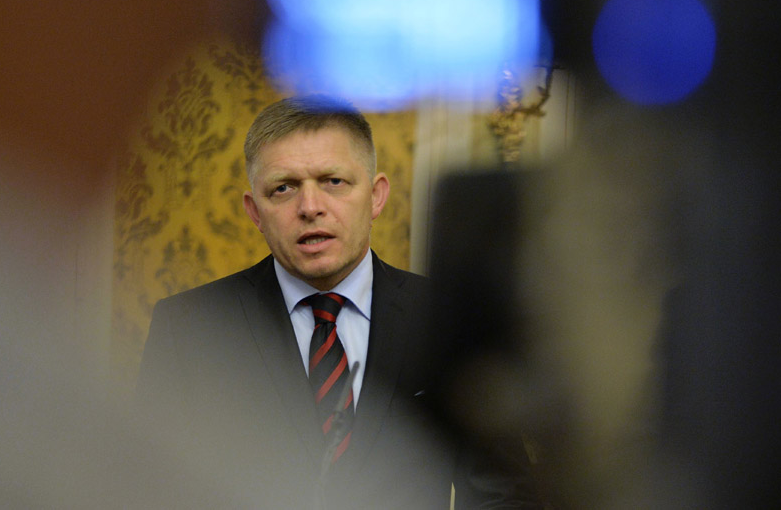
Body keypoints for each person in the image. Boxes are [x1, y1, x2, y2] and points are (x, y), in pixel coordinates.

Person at [137, 95, 538, 509]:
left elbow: (504, 495)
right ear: (255, 211)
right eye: (283, 188)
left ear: (376, 196)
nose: (310, 208)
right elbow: (145, 492)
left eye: (333, 182)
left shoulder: (447, 318)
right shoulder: (190, 327)